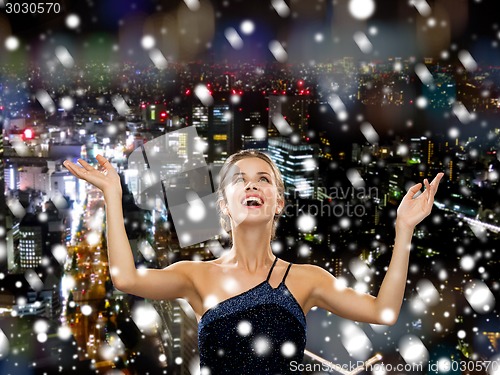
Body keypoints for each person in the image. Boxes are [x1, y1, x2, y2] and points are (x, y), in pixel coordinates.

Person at [64, 149, 444, 374]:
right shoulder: (196, 275)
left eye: (263, 179)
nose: (251, 185)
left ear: (278, 201)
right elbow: (125, 278)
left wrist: (404, 229)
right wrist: (113, 195)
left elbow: (384, 312)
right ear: (223, 205)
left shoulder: (306, 279)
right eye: (239, 180)